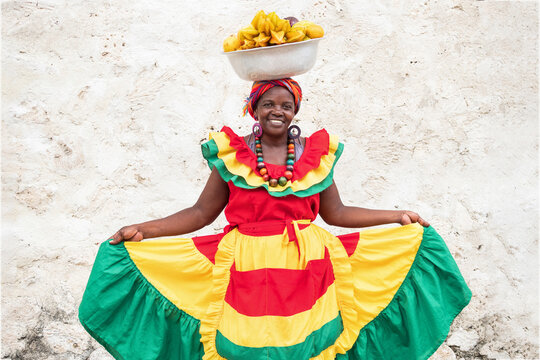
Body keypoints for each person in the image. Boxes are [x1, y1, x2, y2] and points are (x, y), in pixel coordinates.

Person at [79, 78, 471, 360]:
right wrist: (144, 230)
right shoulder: (232, 157)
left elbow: (336, 213)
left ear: (295, 110)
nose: (277, 111)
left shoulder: (314, 158)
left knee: (308, 347)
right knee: (245, 346)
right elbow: (200, 213)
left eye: (286, 105)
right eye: (268, 104)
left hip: (308, 267)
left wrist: (395, 216)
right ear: (254, 110)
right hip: (244, 267)